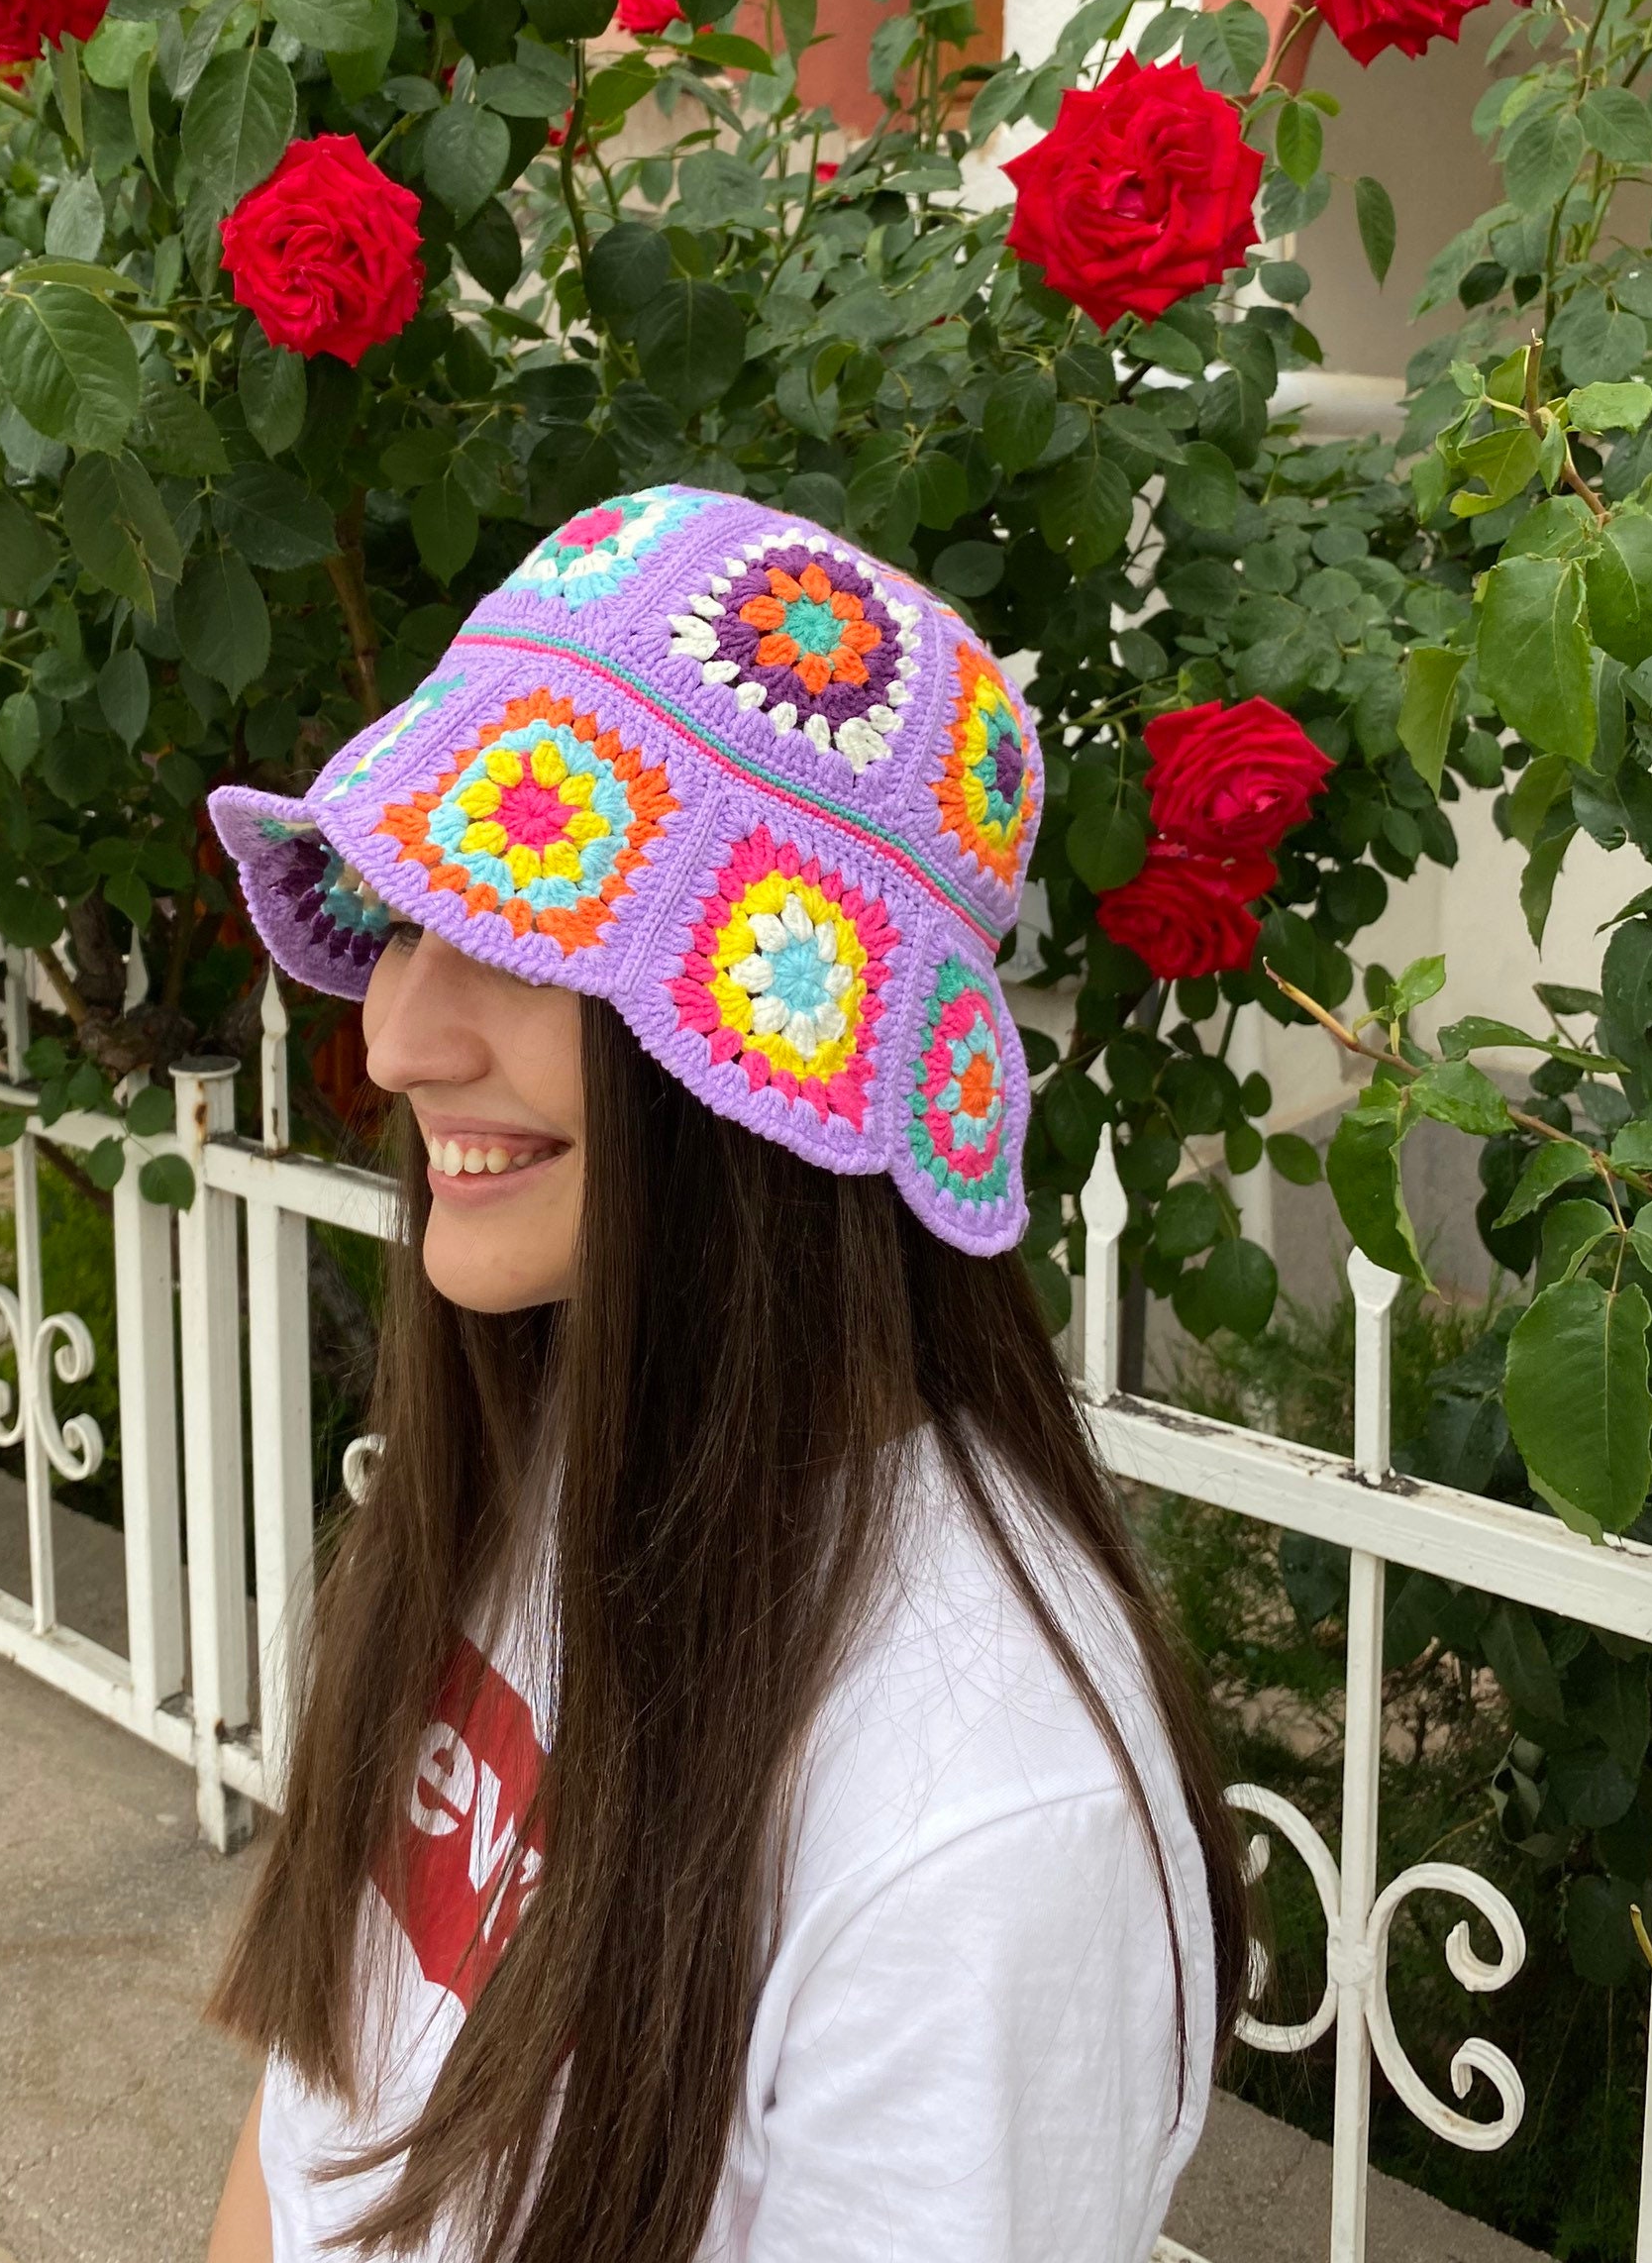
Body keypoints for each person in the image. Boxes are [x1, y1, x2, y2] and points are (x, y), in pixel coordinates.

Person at [202, 484, 1247, 2263]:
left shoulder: (980, 1822)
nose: (391, 1035)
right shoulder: (561, 1433)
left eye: (517, 929)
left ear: (775, 1048)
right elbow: (321, 2117)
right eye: (399, 912)